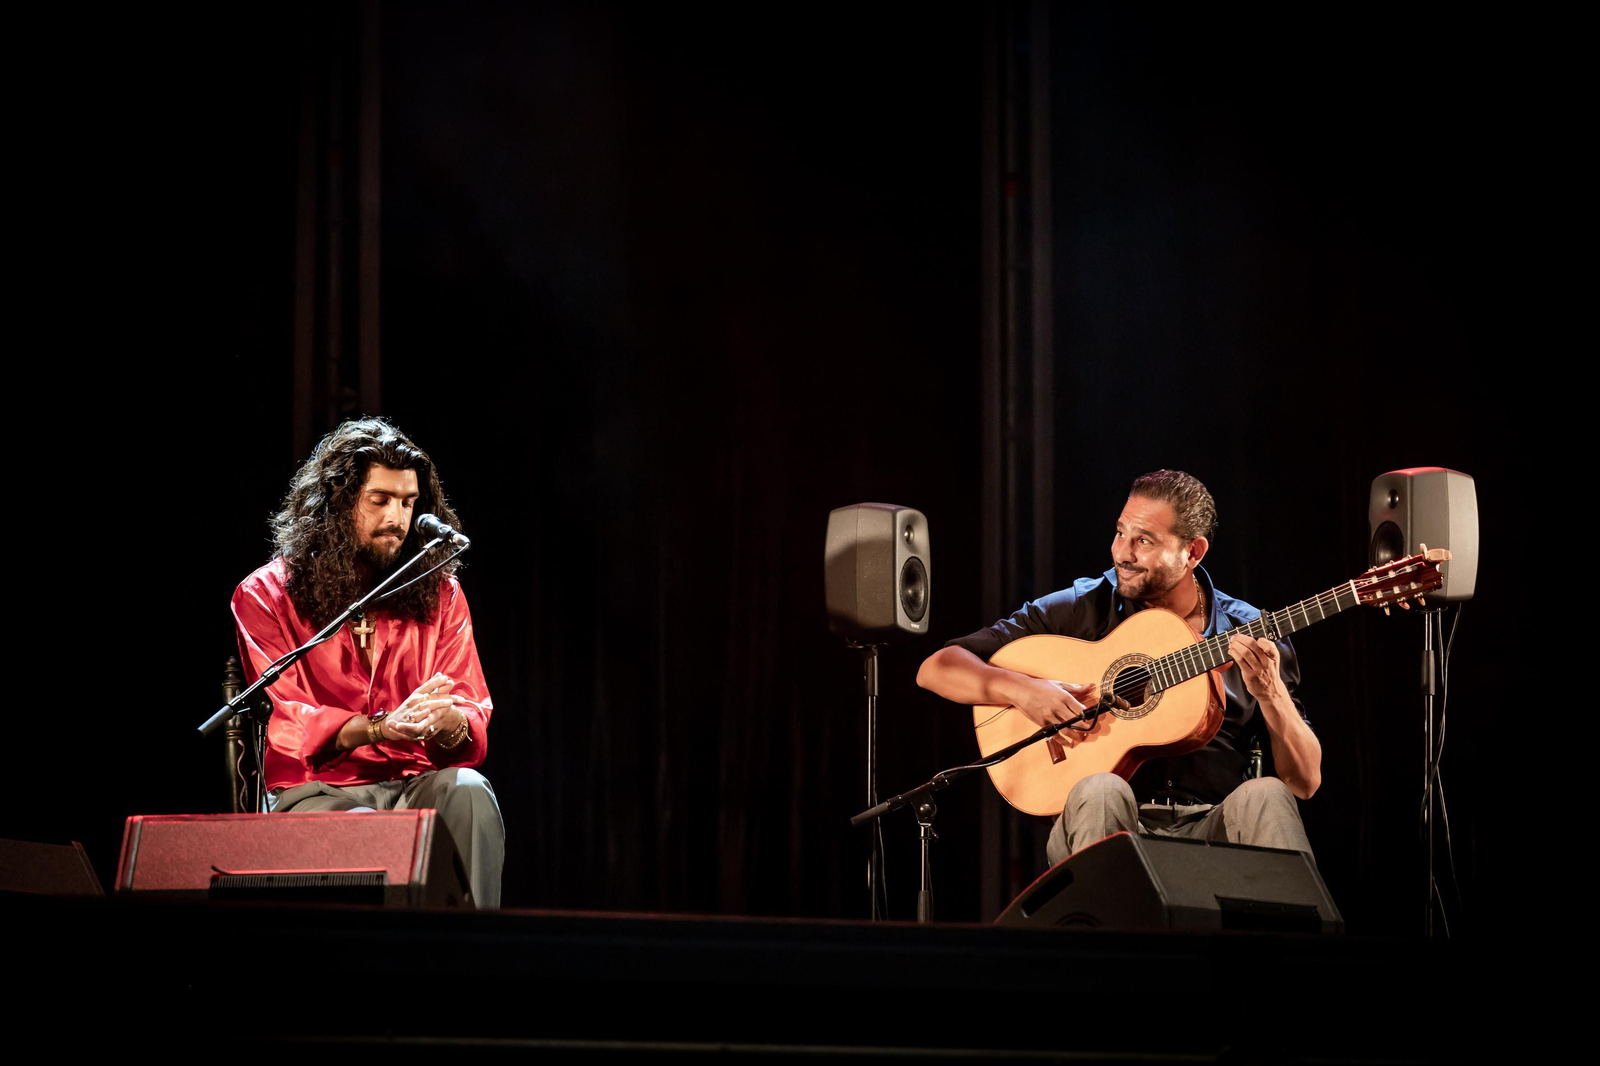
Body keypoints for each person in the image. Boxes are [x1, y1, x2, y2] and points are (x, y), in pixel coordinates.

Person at [917, 469, 1320, 867]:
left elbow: (1304, 782)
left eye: (1144, 540)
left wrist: (1272, 694)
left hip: (1215, 827)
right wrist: (1024, 691)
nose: (1123, 553)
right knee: (1103, 789)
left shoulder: (1250, 632)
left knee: (1268, 794)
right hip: (1106, 819)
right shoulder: (1080, 607)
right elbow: (938, 667)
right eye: (1121, 532)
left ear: (1193, 552)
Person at [232, 417, 505, 907]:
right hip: (319, 792)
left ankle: (473, 957)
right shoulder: (267, 594)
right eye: (380, 500)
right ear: (337, 504)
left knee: (469, 790)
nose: (398, 518)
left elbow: (470, 706)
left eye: (408, 502)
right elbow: (291, 716)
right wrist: (380, 728)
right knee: (375, 836)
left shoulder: (440, 592)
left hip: (414, 782)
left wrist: (449, 723)